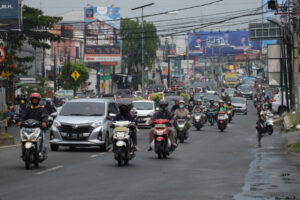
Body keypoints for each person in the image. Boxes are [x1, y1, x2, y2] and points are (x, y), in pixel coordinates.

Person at [18, 93, 48, 158]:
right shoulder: (27, 109)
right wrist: (20, 121)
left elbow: (45, 116)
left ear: (38, 100)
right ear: (31, 100)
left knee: (42, 137)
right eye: (33, 99)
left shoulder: (42, 109)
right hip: (27, 127)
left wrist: (44, 122)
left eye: (36, 100)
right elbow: (22, 115)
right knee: (22, 138)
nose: (34, 101)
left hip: (38, 128)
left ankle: (40, 152)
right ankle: (23, 151)